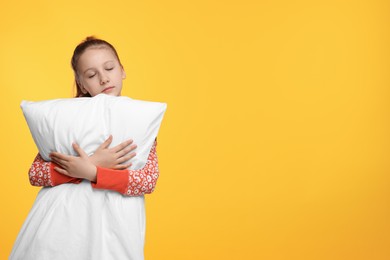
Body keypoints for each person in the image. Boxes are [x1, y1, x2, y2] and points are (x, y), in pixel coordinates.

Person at [10, 37, 160, 260]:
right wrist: (92, 164)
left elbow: (147, 181)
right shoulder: (66, 120)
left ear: (122, 70)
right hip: (58, 224)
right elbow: (36, 174)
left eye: (109, 68)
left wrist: (92, 172)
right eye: (91, 75)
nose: (103, 78)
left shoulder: (138, 119)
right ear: (81, 84)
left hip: (114, 229)